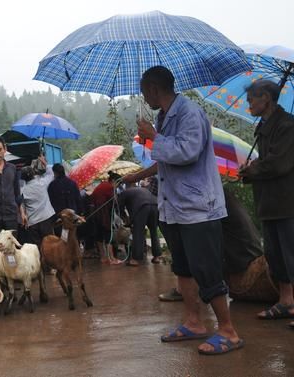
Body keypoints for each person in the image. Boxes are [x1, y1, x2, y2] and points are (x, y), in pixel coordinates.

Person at [126, 65, 242, 355]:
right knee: (184, 267)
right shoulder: (165, 116)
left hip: (197, 207)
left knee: (206, 269)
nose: (145, 98)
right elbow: (166, 157)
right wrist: (137, 176)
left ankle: (228, 331)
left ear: (153, 88)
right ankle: (194, 322)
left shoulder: (189, 113)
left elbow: (187, 152)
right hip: (174, 207)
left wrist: (153, 135)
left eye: (144, 92)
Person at [238, 79, 294, 327]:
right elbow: (266, 163)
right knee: (276, 255)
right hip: (269, 203)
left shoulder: (287, 126)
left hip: (287, 202)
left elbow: (278, 163)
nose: (248, 104)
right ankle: (286, 301)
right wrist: (249, 170)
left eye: (252, 99)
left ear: (266, 99)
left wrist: (252, 170)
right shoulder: (264, 127)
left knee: (291, 254)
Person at [117, 184, 162, 265]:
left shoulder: (123, 193)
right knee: (154, 232)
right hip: (155, 205)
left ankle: (135, 260)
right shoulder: (141, 189)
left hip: (142, 207)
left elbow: (119, 208)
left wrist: (125, 219)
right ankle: (157, 257)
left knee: (138, 232)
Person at [21, 156, 56, 248]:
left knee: (38, 246)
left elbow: (21, 206)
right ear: (33, 174)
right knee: (50, 244)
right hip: (46, 219)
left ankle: (40, 261)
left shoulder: (23, 190)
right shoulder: (42, 183)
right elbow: (51, 174)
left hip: (33, 222)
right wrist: (45, 163)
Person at [90, 172, 121, 265]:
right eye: (118, 184)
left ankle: (103, 257)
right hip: (104, 215)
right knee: (108, 236)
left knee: (99, 236)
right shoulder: (109, 187)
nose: (118, 186)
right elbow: (114, 203)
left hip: (96, 214)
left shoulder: (102, 185)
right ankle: (111, 259)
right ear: (113, 181)